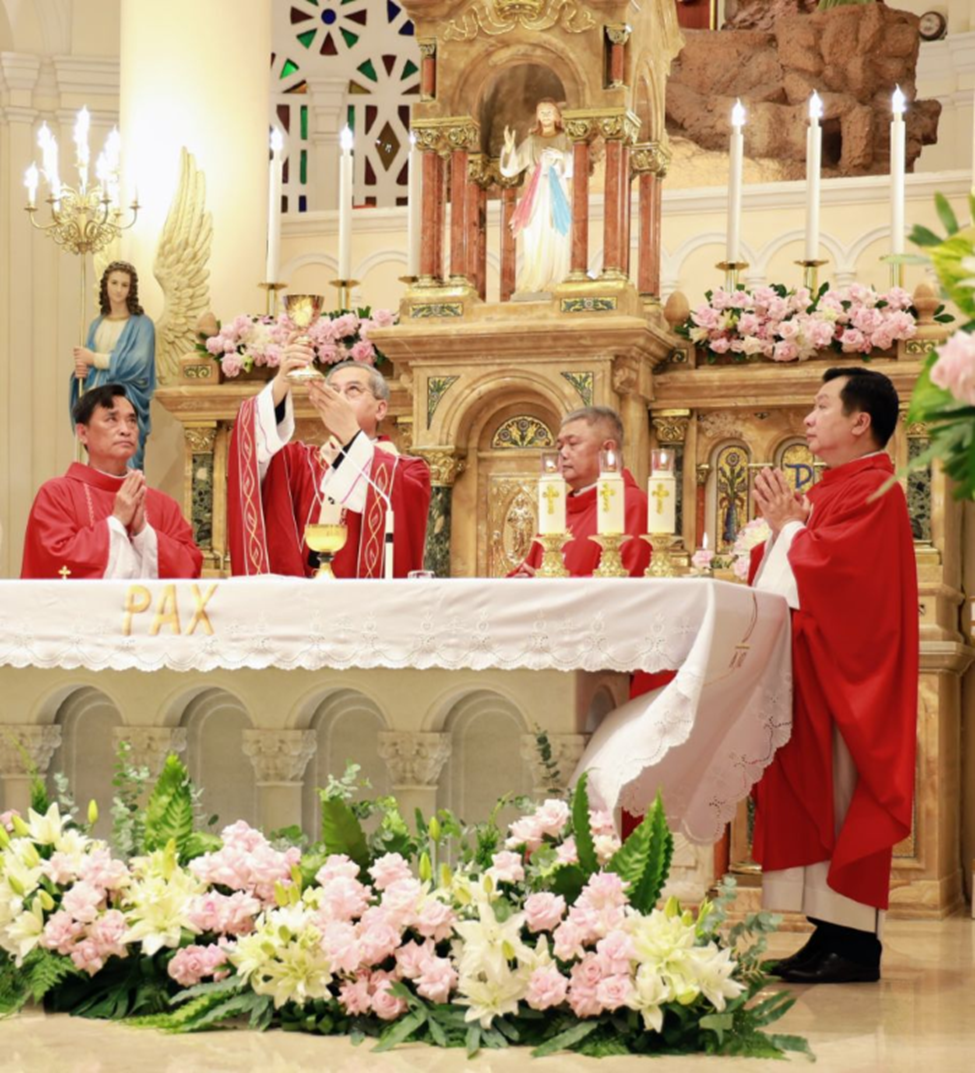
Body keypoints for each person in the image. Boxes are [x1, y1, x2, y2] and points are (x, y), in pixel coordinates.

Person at [749, 367, 918, 984]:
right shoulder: (831, 488)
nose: (808, 418)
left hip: (852, 678)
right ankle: (828, 933)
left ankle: (855, 945)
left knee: (846, 797)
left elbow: (836, 574)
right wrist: (785, 530)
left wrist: (789, 530)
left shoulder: (876, 489)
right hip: (816, 669)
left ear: (860, 421)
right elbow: (798, 564)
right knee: (820, 798)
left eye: (822, 406)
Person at [227, 347, 431, 578]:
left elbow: (398, 510)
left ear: (380, 409)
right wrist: (283, 380)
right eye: (332, 391)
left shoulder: (409, 471)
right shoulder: (299, 463)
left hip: (368, 597)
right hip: (301, 595)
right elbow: (251, 447)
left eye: (353, 390)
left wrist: (350, 434)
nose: (339, 398)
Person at [22, 384, 202, 579]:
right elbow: (51, 561)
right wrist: (116, 522)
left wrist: (143, 532)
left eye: (131, 421)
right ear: (82, 433)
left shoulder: (163, 505)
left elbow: (190, 566)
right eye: (111, 419)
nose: (126, 430)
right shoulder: (57, 495)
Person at [510, 406, 650, 579]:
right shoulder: (557, 512)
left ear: (607, 449)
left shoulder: (632, 504)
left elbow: (630, 582)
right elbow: (527, 572)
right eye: (560, 446)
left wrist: (552, 584)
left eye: (573, 444)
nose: (562, 454)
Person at [70, 261, 156, 470]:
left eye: (124, 285)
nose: (118, 290)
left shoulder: (143, 324)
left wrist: (95, 359)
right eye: (114, 283)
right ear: (105, 285)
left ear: (131, 289)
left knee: (125, 454)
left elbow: (139, 363)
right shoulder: (96, 324)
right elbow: (90, 364)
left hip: (126, 397)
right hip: (96, 397)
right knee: (95, 451)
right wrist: (82, 372)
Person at [500, 98, 573, 294]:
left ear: (557, 116)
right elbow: (511, 169)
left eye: (549, 111)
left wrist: (561, 157)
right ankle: (534, 279)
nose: (546, 115)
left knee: (556, 231)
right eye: (542, 112)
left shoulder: (565, 138)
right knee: (534, 233)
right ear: (537, 116)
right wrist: (509, 149)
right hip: (536, 192)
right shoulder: (532, 141)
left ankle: (556, 277)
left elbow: (576, 164)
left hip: (557, 190)